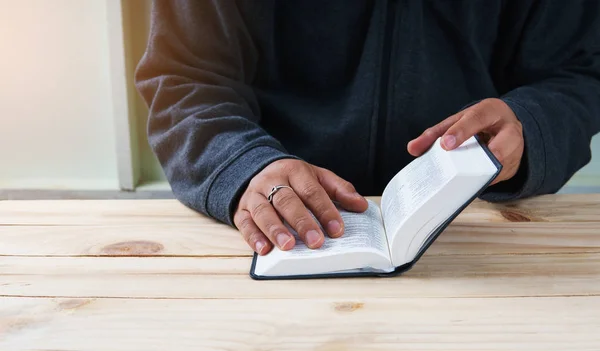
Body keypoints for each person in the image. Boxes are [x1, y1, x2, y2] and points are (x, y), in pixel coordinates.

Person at [135, 0, 600, 256]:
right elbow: (183, 78)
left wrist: (531, 122)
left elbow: (579, 74)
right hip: (267, 227)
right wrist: (244, 164)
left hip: (484, 233)